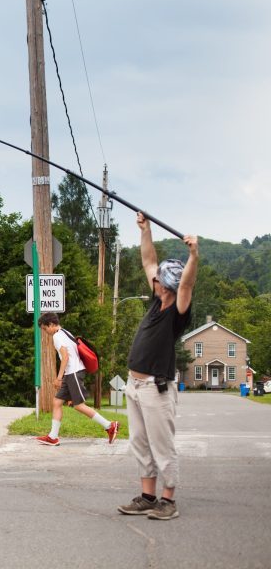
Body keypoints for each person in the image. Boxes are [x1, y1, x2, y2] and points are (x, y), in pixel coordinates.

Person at [117, 212, 198, 521]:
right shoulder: (156, 301)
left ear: (168, 285)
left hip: (156, 386)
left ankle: (168, 500)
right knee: (140, 443)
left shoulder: (178, 310)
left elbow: (188, 284)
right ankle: (148, 497)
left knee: (162, 447)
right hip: (134, 385)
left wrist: (193, 254)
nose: (153, 278)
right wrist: (145, 231)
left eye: (159, 278)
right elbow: (148, 260)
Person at [35, 312, 119, 446]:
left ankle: (110, 426)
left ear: (51, 324)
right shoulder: (65, 332)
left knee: (78, 405)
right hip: (71, 373)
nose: (45, 332)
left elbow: (66, 357)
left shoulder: (57, 336)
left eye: (45, 329)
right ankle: (53, 437)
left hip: (73, 372)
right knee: (57, 402)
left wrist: (58, 378)